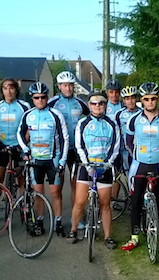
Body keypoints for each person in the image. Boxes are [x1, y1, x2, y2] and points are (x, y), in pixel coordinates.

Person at [120, 82, 159, 252]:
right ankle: (134, 237)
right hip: (139, 164)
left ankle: (158, 235)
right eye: (146, 99)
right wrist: (136, 155)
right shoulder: (134, 120)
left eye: (153, 99)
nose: (150, 102)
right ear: (142, 101)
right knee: (136, 201)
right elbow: (128, 142)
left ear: (157, 99)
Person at [66, 91, 120, 249]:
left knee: (105, 204)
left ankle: (108, 236)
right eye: (94, 103)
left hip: (105, 167)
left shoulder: (112, 124)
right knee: (80, 201)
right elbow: (79, 146)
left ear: (105, 105)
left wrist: (106, 164)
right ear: (89, 105)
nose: (98, 106)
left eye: (101, 103)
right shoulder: (82, 123)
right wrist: (88, 166)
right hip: (86, 167)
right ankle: (73, 230)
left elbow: (114, 147)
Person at [18, 82, 69, 237]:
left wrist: (62, 161)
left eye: (43, 97)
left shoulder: (55, 115)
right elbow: (19, 134)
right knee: (38, 193)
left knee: (55, 193)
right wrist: (25, 149)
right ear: (32, 98)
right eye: (36, 97)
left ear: (47, 97)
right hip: (36, 160)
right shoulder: (28, 115)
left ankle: (58, 222)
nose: (40, 100)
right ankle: (39, 221)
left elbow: (65, 139)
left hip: (53, 159)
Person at [47, 71, 89, 227]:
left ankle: (75, 218)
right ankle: (57, 219)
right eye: (65, 85)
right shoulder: (52, 102)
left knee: (75, 185)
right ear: (59, 87)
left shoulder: (80, 103)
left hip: (75, 150)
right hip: (58, 149)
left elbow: (91, 117)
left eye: (71, 85)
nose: (68, 88)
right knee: (57, 186)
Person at [0, 78, 31, 222]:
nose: (8, 91)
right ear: (2, 91)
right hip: (2, 148)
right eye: (5, 88)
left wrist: (22, 144)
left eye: (11, 88)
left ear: (16, 90)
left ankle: (25, 207)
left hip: (18, 148)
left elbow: (29, 129)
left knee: (21, 180)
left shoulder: (24, 106)